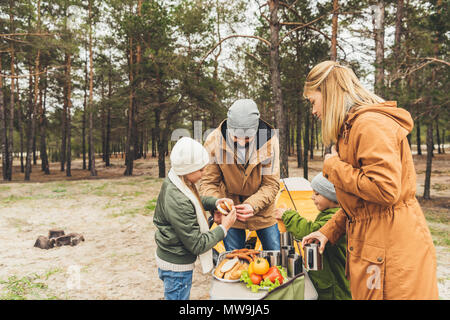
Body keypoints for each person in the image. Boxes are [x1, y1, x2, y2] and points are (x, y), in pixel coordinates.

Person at [301, 60, 439, 300]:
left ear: (329, 92)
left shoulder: (370, 124)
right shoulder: (350, 129)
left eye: (313, 101)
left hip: (392, 255)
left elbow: (385, 190)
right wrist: (328, 231)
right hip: (376, 251)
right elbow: (361, 204)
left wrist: (333, 166)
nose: (314, 111)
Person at [153, 137, 237, 300]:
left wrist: (215, 202)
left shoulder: (177, 180)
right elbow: (198, 244)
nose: (203, 173)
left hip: (173, 259)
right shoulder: (177, 199)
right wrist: (224, 228)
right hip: (176, 268)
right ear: (187, 169)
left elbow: (195, 200)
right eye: (200, 170)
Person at [200, 99, 281, 251]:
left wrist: (253, 205)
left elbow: (271, 184)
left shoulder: (270, 142)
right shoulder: (214, 141)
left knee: (274, 253)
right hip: (230, 210)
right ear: (229, 130)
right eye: (236, 137)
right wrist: (217, 204)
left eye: (247, 138)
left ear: (256, 130)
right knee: (234, 257)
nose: (242, 143)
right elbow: (208, 182)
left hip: (263, 210)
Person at [275, 173, 351, 300]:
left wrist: (287, 215)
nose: (312, 197)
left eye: (317, 194)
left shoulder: (334, 218)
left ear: (333, 197)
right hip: (326, 280)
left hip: (334, 287)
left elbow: (309, 230)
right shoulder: (329, 214)